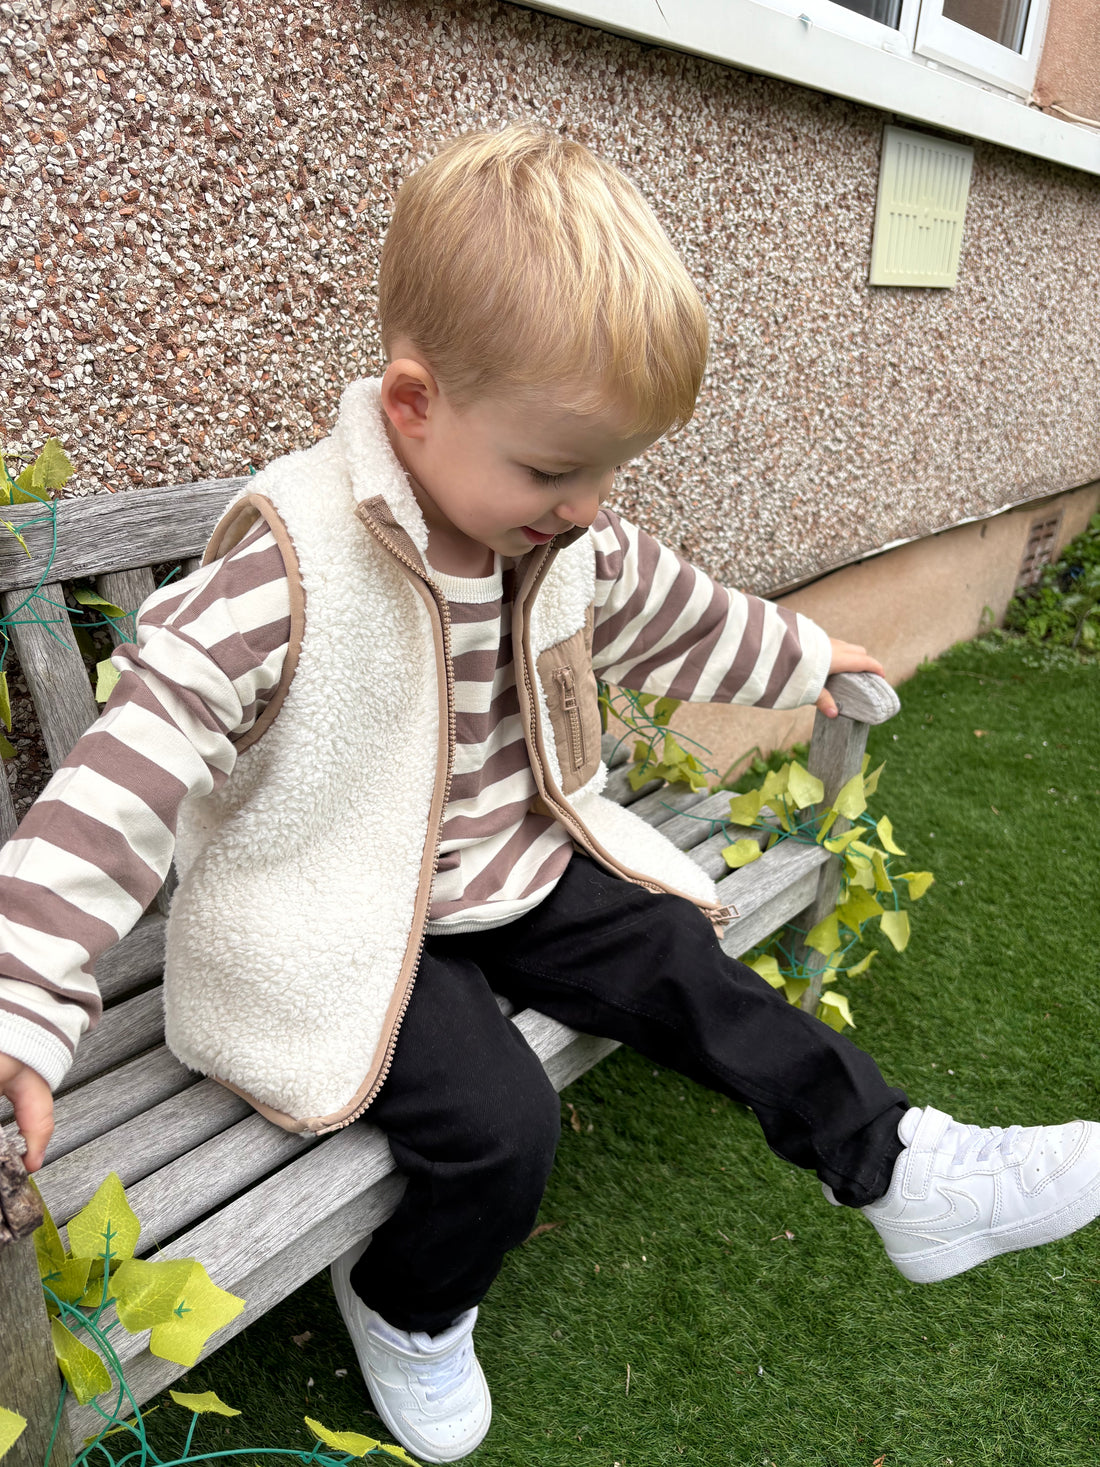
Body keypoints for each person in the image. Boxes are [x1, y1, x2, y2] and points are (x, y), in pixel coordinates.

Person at [1, 126, 1099, 1464]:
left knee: (694, 969)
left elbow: (677, 612)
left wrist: (805, 652)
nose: (585, 509)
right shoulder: (287, 564)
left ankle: (904, 1167)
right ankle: (408, 1305)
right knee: (501, 1128)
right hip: (344, 921)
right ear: (412, 405)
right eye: (553, 472)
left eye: (606, 474)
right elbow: (120, 773)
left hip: (511, 870)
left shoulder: (552, 525)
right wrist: (23, 1005)